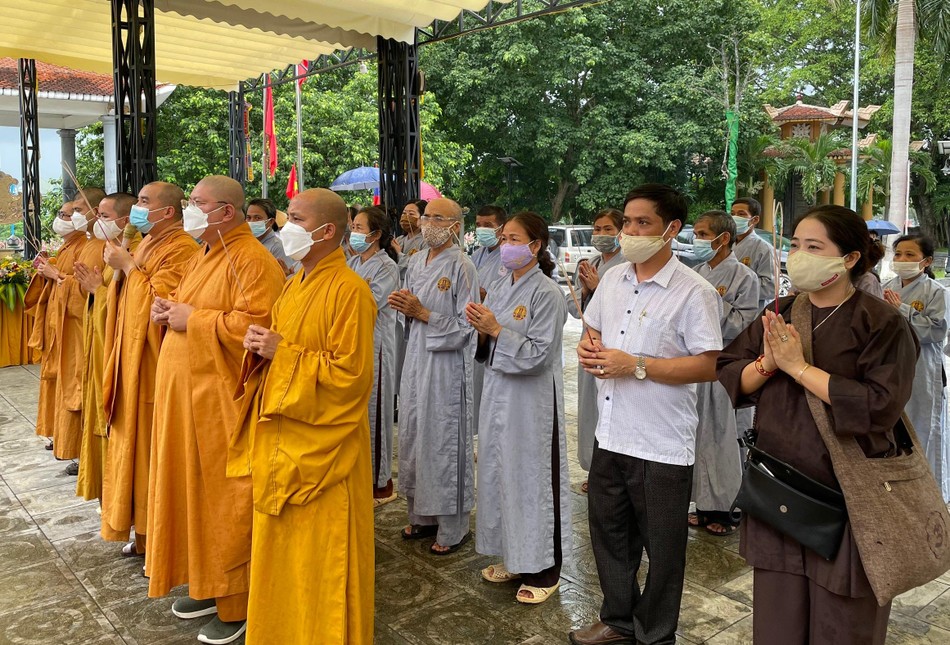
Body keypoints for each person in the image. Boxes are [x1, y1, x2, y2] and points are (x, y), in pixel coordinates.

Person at [717, 204, 919, 644]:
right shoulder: (783, 311)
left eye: (814, 247)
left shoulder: (881, 323)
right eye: (794, 245)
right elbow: (733, 372)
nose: (798, 255)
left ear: (848, 259)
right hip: (780, 487)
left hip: (848, 496)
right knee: (777, 620)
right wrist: (769, 364)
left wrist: (799, 367)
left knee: (842, 624)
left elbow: (879, 406)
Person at [570, 184, 722, 645]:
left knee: (663, 547)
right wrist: (587, 344)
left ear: (671, 230)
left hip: (660, 441)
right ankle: (618, 619)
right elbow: (593, 324)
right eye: (627, 223)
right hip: (611, 432)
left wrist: (635, 364)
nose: (630, 232)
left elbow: (710, 364)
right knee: (609, 533)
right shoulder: (614, 278)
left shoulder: (693, 292)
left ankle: (655, 633)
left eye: (643, 223)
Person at [232, 188, 376, 645]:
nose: (284, 226)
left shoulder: (350, 291)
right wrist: (261, 347)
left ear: (327, 230)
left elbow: (350, 378)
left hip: (325, 451)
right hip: (283, 444)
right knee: (284, 559)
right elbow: (282, 349)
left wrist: (282, 352)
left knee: (323, 563)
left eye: (294, 218)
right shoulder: (295, 282)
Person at [147, 176, 284, 645]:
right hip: (188, 398)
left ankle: (238, 599)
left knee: (226, 501)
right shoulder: (208, 253)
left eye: (197, 203)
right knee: (193, 494)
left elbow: (258, 325)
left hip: (222, 403)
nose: (188, 208)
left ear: (225, 212)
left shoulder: (252, 258)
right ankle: (207, 582)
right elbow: (195, 307)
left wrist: (193, 319)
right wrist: (170, 310)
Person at [466, 211, 571, 604]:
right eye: (504, 237)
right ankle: (514, 556)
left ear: (535, 245)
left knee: (533, 480)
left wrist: (495, 330)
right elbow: (486, 343)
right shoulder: (497, 282)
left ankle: (544, 568)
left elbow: (539, 356)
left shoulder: (547, 294)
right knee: (500, 474)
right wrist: (480, 331)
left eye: (514, 238)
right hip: (499, 396)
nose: (506, 245)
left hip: (532, 404)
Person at [100, 181, 200, 557]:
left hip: (155, 364)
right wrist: (123, 266)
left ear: (168, 211)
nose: (138, 208)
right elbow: (126, 298)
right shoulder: (146, 243)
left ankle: (157, 534)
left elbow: (165, 302)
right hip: (131, 360)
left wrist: (127, 266)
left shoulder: (183, 247)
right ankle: (141, 531)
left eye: (144, 202)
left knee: (151, 450)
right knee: (133, 447)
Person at [388, 197, 479, 555]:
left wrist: (424, 314)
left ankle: (454, 527)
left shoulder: (463, 266)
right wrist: (406, 309)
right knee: (413, 433)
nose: (426, 223)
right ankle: (423, 516)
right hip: (416, 359)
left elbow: (468, 325)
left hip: (445, 366)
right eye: (425, 217)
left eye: (436, 218)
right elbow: (408, 311)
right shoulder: (415, 262)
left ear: (455, 226)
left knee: (443, 440)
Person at [25, 188, 106, 472]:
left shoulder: (96, 245)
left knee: (80, 389)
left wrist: (58, 276)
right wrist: (53, 273)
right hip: (67, 327)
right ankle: (69, 443)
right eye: (65, 214)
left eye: (75, 212)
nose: (69, 218)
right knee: (67, 388)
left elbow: (92, 291)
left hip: (82, 329)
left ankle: (86, 453)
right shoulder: (81, 244)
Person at [688, 211, 759, 537]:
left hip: (727, 365)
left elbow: (743, 323)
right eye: (697, 233)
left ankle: (728, 509)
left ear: (723, 238)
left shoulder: (745, 278)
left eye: (703, 234)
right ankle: (701, 505)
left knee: (724, 438)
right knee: (697, 434)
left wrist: (711, 302)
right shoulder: (696, 272)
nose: (697, 239)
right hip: (695, 363)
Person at [73, 192, 138, 503]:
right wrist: (95, 291)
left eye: (104, 215)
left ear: (125, 221)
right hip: (101, 348)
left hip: (122, 357)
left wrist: (98, 292)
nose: (97, 221)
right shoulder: (115, 251)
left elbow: (134, 309)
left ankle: (122, 504)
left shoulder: (136, 252)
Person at [883, 234, 949, 499]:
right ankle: (895, 491)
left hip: (922, 368)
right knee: (891, 426)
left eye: (910, 255)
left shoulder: (936, 292)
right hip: (889, 365)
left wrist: (903, 310)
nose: (902, 260)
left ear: (926, 261)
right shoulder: (885, 286)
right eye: (898, 254)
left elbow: (936, 331)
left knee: (923, 428)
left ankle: (927, 494)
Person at [567, 208, 625, 493]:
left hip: (615, 347)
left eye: (608, 229)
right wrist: (587, 290)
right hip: (588, 345)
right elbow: (573, 307)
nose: (601, 235)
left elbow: (628, 308)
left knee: (614, 407)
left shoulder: (629, 265)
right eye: (597, 229)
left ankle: (613, 472)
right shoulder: (589, 262)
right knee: (590, 409)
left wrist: (599, 287)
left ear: (621, 232)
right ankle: (594, 469)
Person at [347, 205, 400, 506]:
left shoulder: (386, 267)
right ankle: (360, 475)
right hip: (355, 345)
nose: (354, 233)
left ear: (376, 234)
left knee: (376, 412)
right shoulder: (354, 263)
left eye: (359, 228)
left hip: (376, 347)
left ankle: (380, 483)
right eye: (353, 227)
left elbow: (369, 300)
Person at [470, 205, 507, 435]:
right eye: (479, 225)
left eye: (488, 225)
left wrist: (487, 295)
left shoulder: (508, 256)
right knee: (477, 387)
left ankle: (492, 435)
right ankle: (479, 434)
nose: (482, 229)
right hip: (475, 326)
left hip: (496, 328)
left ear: (501, 228)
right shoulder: (476, 255)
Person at [730, 197, 775, 310]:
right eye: (732, 214)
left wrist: (735, 287)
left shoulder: (763, 248)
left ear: (755, 220)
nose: (735, 218)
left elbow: (770, 287)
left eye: (741, 214)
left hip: (751, 312)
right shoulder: (726, 244)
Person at [246, 197, 293, 274]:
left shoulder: (277, 247)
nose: (252, 222)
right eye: (248, 217)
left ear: (271, 221)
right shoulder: (248, 243)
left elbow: (285, 277)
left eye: (257, 218)